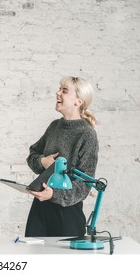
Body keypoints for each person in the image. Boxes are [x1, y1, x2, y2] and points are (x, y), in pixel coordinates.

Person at [25, 76, 99, 237]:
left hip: (67, 214)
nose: (57, 93)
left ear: (78, 101)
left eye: (64, 91)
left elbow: (85, 185)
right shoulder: (54, 126)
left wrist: (54, 194)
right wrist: (42, 161)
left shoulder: (87, 134)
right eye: (59, 89)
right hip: (40, 208)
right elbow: (32, 155)